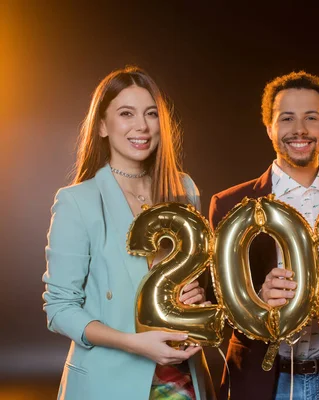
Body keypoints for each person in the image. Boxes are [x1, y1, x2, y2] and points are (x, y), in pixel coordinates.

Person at [43, 66, 215, 400]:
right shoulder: (77, 201)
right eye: (126, 113)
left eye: (151, 114)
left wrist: (197, 297)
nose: (142, 126)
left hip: (181, 379)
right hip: (108, 381)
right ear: (103, 126)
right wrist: (133, 343)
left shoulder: (183, 188)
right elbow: (60, 309)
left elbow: (193, 280)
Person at [208, 71, 319, 400]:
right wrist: (254, 301)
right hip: (261, 384)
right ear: (269, 126)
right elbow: (214, 305)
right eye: (287, 118)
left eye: (311, 118)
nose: (299, 129)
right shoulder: (229, 204)